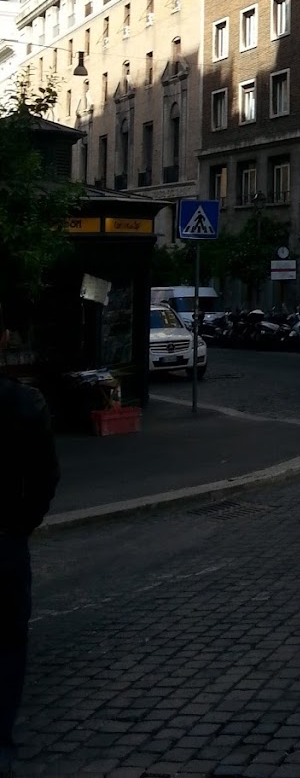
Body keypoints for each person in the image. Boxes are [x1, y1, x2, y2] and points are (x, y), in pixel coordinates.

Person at [0, 322, 60, 778]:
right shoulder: (23, 402)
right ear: (4, 337)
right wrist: (22, 524)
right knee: (7, 643)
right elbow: (45, 477)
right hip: (4, 542)